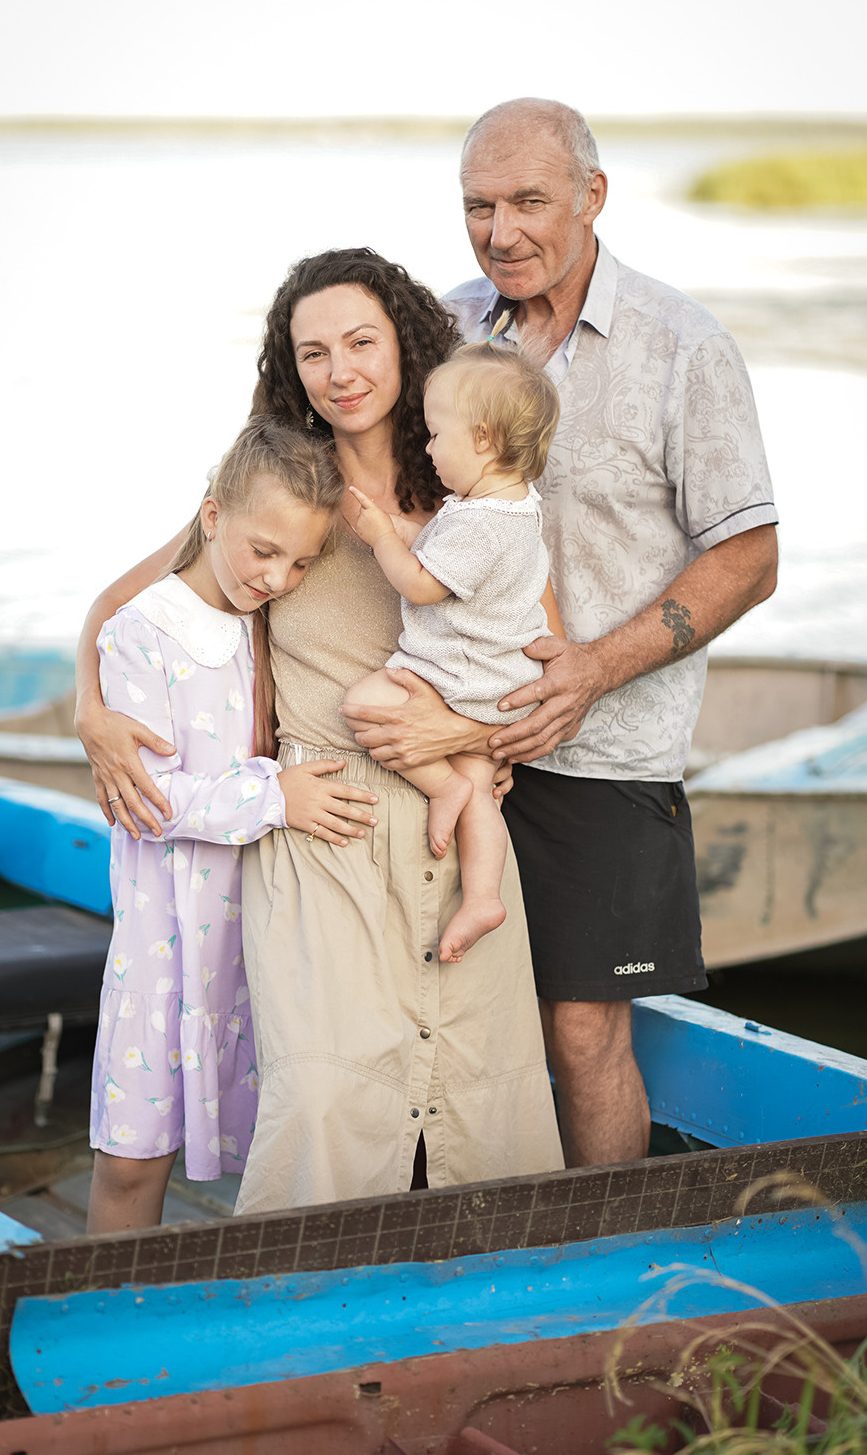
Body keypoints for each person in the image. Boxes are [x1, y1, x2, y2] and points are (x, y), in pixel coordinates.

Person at [75, 249, 564, 1218]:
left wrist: (456, 733)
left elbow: (550, 674)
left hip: (454, 815)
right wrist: (94, 714)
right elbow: (118, 608)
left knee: (480, 1099)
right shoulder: (283, 494)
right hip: (320, 828)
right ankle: (289, 1326)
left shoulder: (479, 502)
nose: (339, 370)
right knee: (329, 1096)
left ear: (407, 344)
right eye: (312, 352)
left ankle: (482, 1318)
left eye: (360, 342)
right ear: (288, 368)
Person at [342, 98, 779, 1172]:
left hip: (605, 752)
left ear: (593, 196)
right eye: (477, 206)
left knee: (584, 1033)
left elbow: (751, 557)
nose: (501, 231)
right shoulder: (438, 330)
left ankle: (614, 1280)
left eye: (529, 201)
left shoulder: (685, 348)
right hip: (449, 737)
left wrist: (591, 670)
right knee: (421, 1012)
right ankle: (434, 1249)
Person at [85, 419, 381, 1233]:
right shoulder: (141, 632)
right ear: (211, 518)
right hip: (160, 939)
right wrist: (276, 797)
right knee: (134, 1153)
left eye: (299, 563)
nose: (278, 577)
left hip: (253, 931)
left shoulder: (263, 624)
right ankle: (107, 1316)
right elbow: (148, 800)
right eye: (263, 551)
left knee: (270, 1130)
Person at [344, 339, 560, 965]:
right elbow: (448, 547)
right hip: (497, 683)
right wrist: (413, 532)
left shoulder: (479, 523)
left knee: (364, 702)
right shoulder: (511, 506)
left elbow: (420, 582)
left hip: (458, 678)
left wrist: (383, 536)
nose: (429, 447)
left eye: (437, 435)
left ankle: (441, 788)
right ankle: (484, 896)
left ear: (485, 441)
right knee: (478, 781)